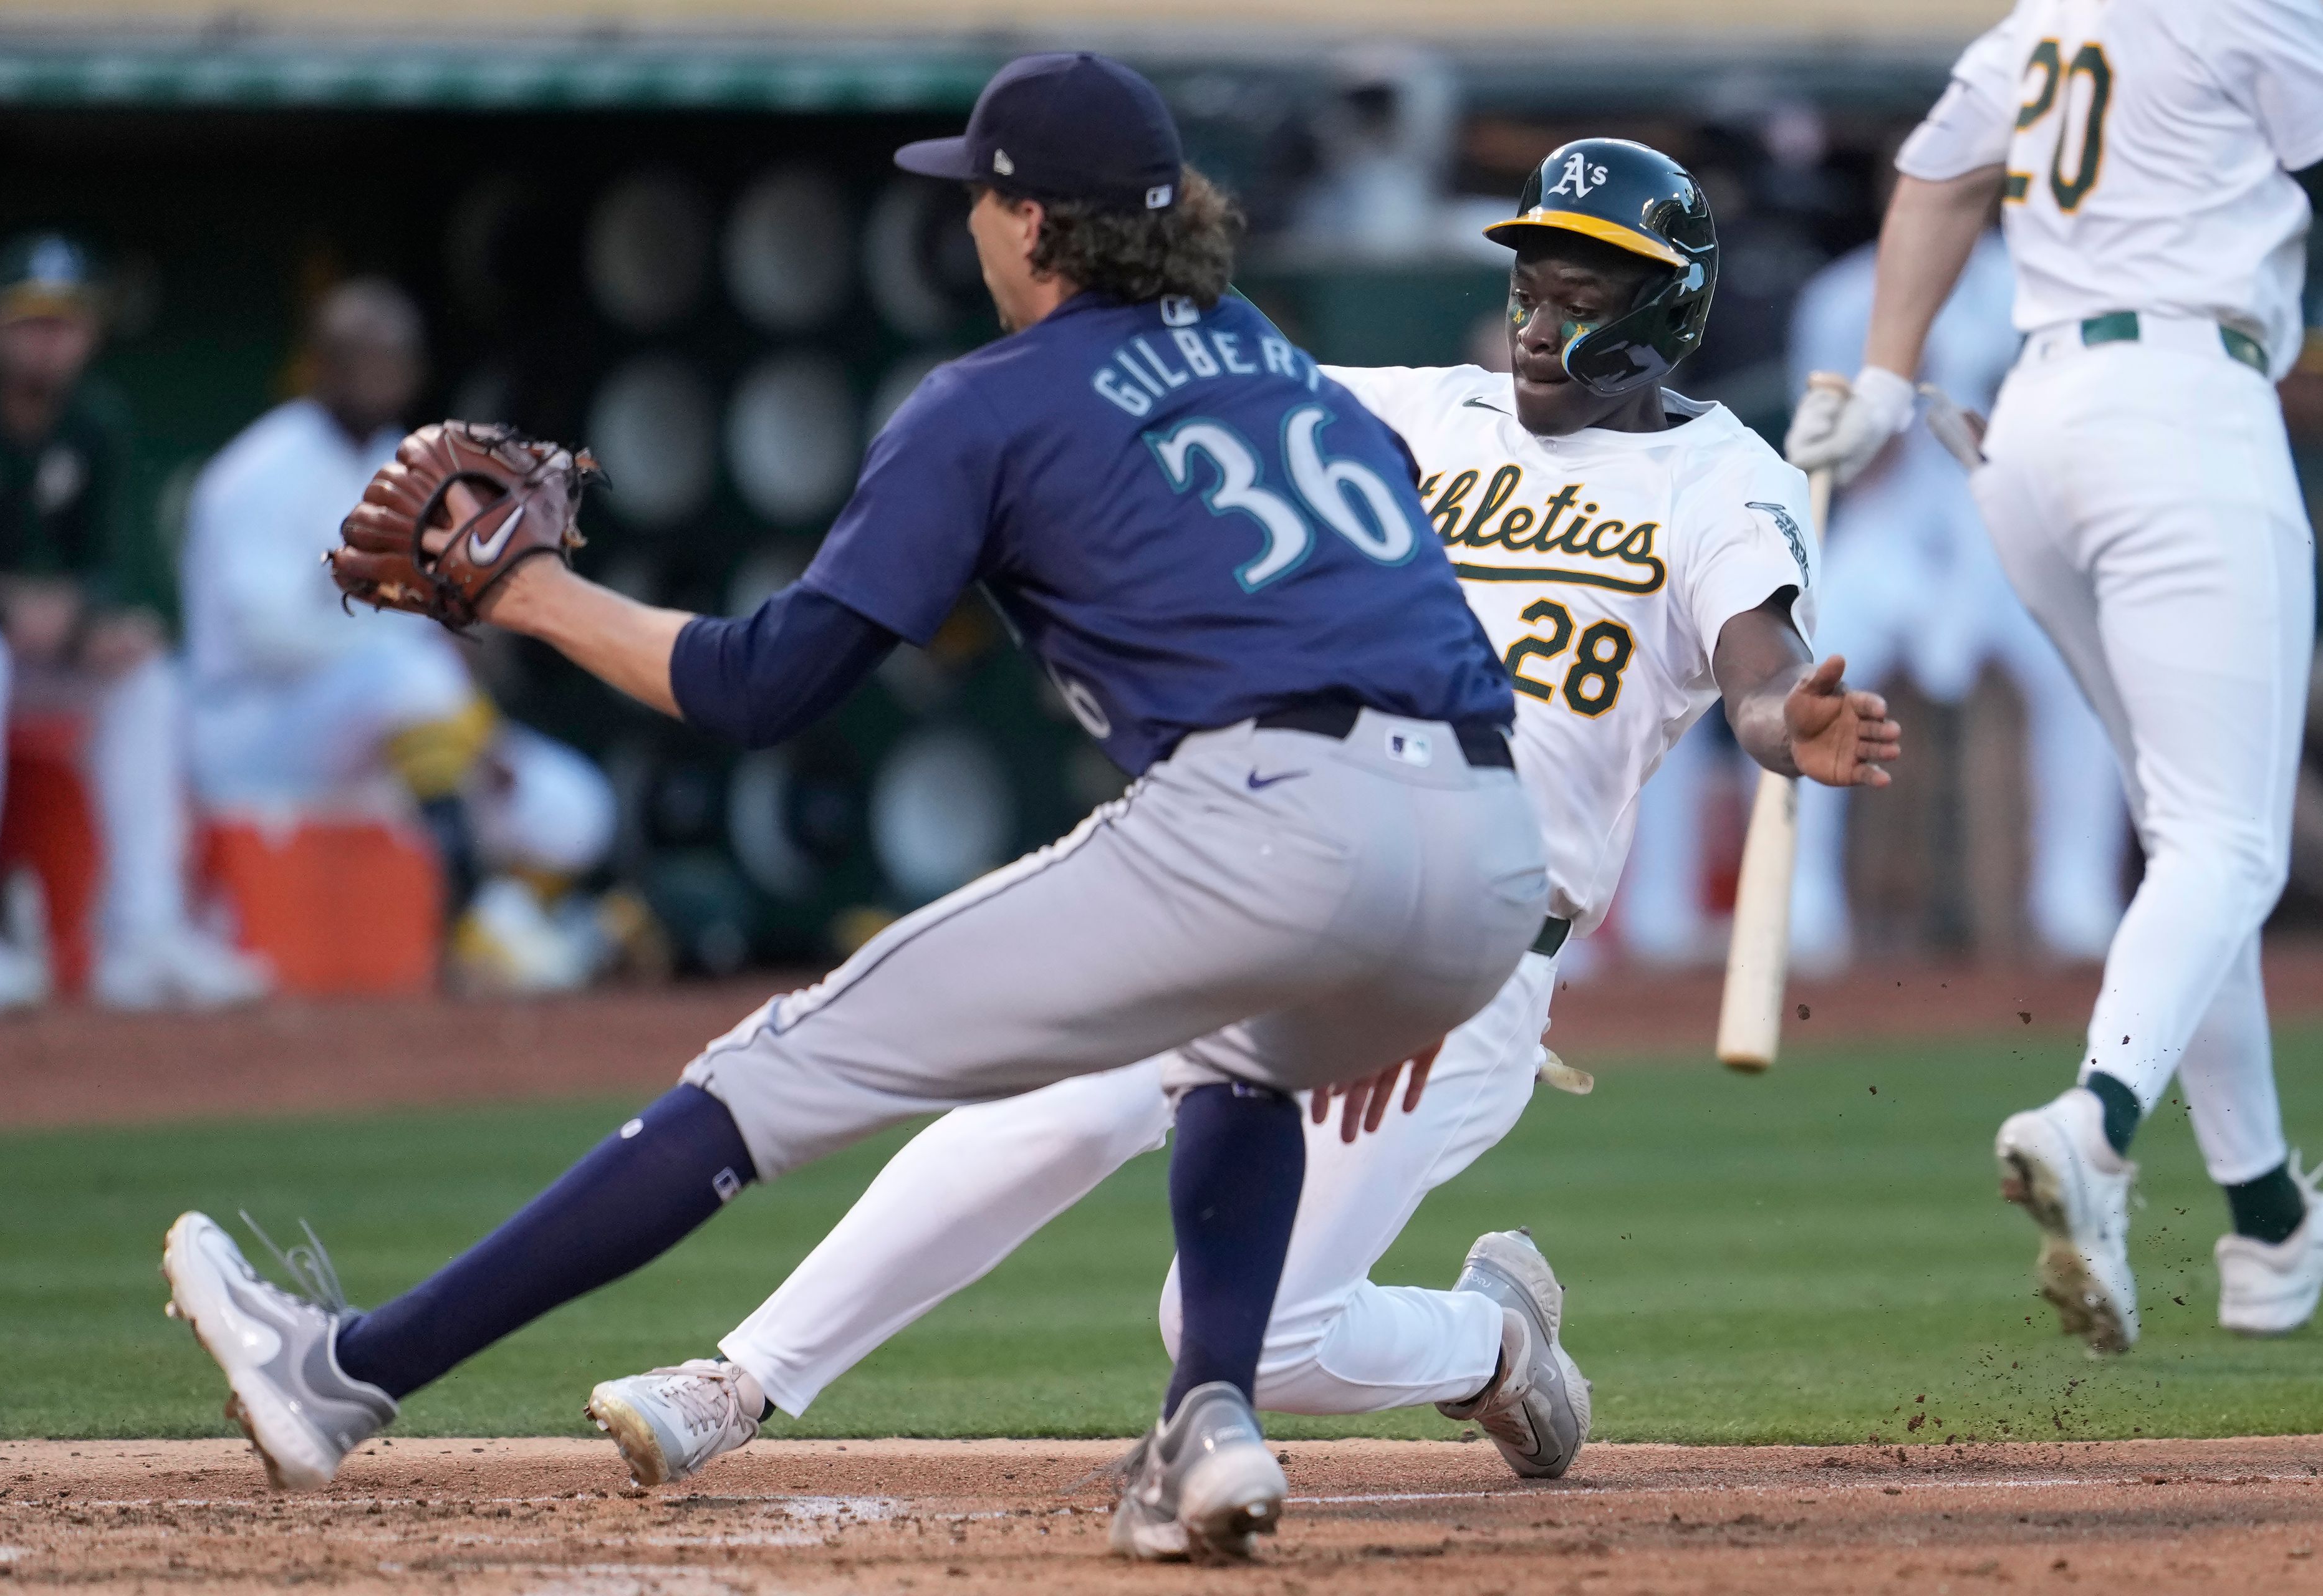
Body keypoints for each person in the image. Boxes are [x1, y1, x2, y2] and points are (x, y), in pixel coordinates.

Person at [160, 53, 1551, 1562]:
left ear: (1031, 224)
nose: (966, 223)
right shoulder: (1271, 355)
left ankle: (345, 1373)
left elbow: (763, 686)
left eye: (979, 196)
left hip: (1274, 812)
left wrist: (534, 594)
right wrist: (1398, 933)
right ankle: (1204, 1418)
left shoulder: (989, 400)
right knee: (1240, 1057)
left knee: (769, 1070)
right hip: (1483, 845)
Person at [552, 142, 1899, 1491]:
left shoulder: (1725, 483)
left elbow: (1761, 673)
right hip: (1277, 865)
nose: (1539, 325)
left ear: (1664, 310)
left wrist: (1791, 728)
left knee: (1243, 1336)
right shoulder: (1416, 412)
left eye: (1579, 298)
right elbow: (1188, 406)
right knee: (1053, 1100)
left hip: (1466, 955)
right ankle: (739, 1378)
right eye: (1529, 291)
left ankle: (1491, 1342)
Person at [1787, 0, 2323, 1350]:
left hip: (2032, 431)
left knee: (2194, 828)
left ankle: (2267, 1224)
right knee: (2225, 841)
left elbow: (1934, 173)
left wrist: (1886, 378)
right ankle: (2096, 1123)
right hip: (2185, 405)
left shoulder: (2043, 24)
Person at [180, 279, 620, 992]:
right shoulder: (257, 471)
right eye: (357, 357)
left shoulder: (410, 464)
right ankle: (468, 916)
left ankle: (505, 925)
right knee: (407, 670)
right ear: (317, 365)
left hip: (392, 734)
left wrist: (478, 732)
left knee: (571, 805)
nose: (378, 374)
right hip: (255, 730)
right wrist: (402, 648)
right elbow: (266, 639)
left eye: (393, 359)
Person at [0, 232, 267, 1017]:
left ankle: (142, 935)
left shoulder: (98, 422)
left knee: (142, 678)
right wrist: (16, 609)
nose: (48, 341)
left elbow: (118, 568)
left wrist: (94, 625)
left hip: (26, 653)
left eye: (66, 322)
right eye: (29, 321)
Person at [1786, 226, 2125, 971]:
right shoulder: (1843, 295)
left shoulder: (2034, 284)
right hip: (1886, 529)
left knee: (2088, 668)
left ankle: (2074, 891)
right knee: (1797, 668)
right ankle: (1800, 898)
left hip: (2001, 524)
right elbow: (1829, 465)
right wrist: (1898, 383)